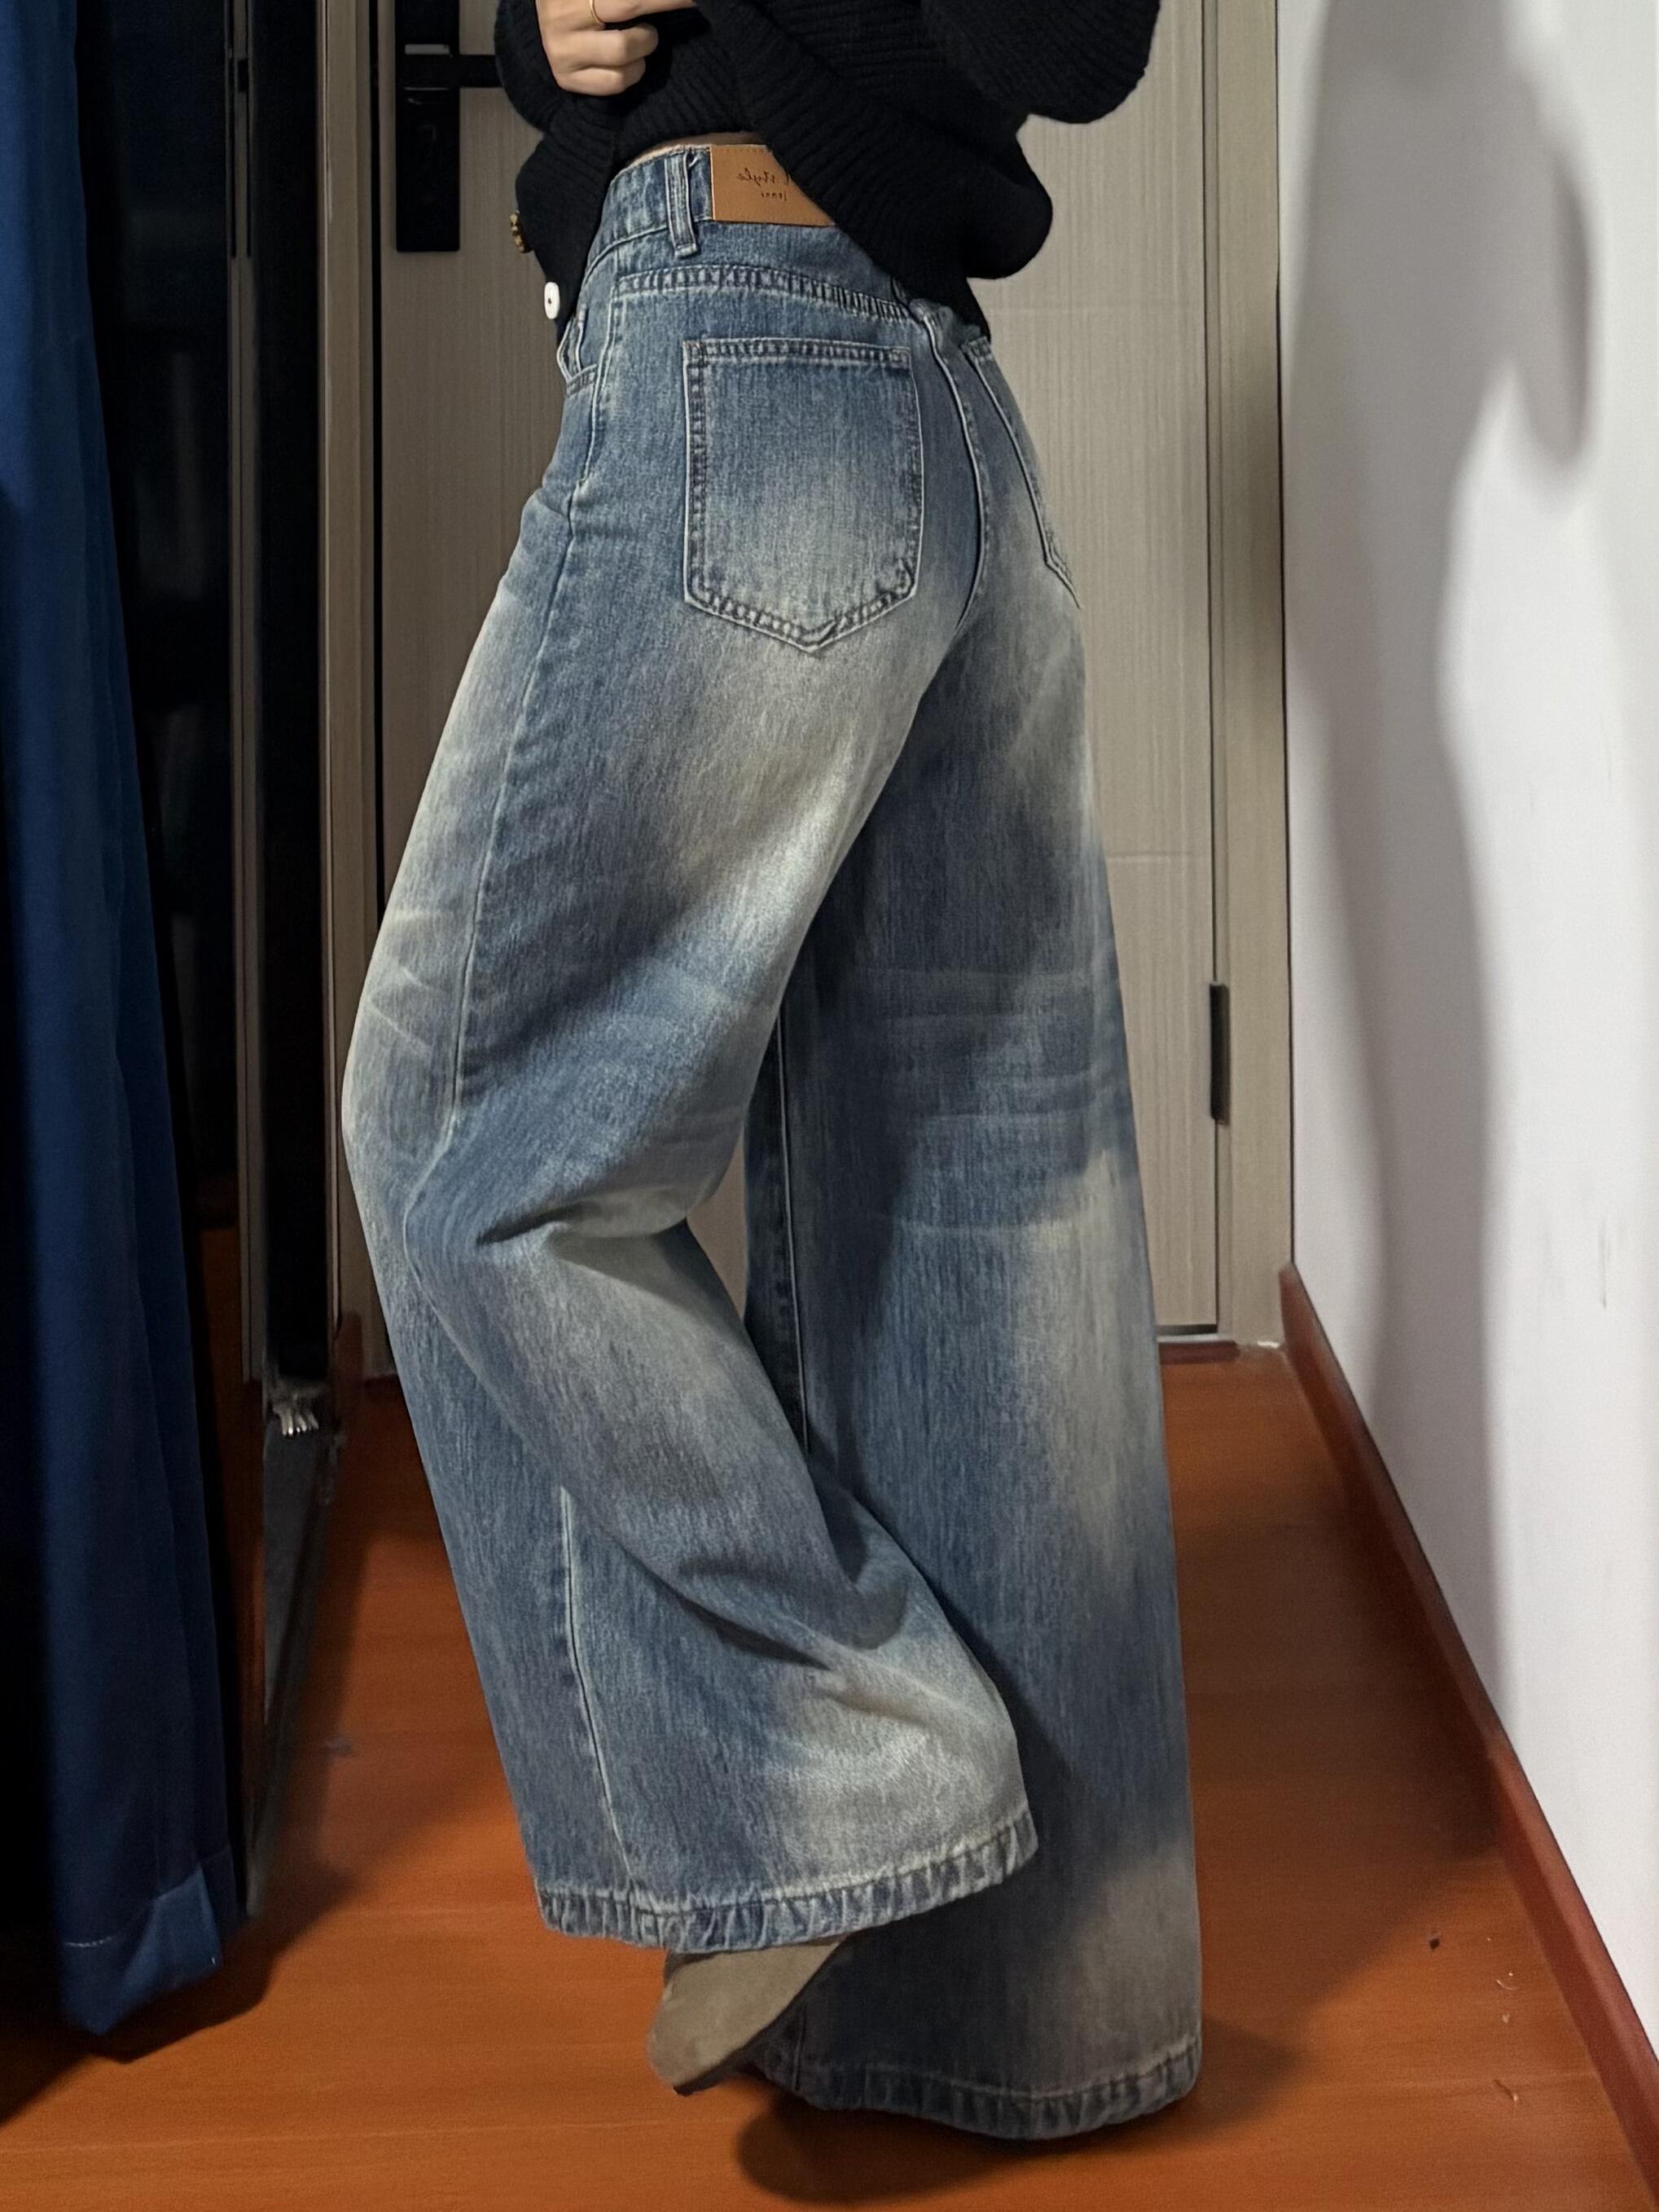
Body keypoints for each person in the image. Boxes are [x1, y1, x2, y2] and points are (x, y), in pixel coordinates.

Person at [340, 0, 1201, 2141]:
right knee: (975, 1220)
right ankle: (1029, 2009)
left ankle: (847, 1761)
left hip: (754, 355)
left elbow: (1071, 31)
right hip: (901, 390)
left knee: (461, 1136)